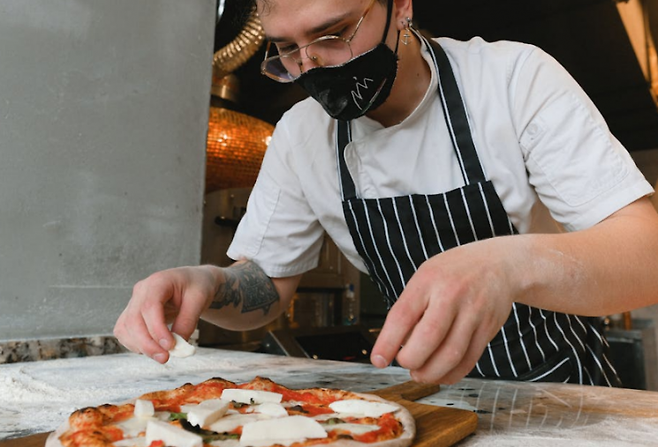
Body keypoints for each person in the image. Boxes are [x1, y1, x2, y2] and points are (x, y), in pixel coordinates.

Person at [114, 0, 658, 386]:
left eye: (333, 34)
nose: (312, 64)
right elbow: (266, 288)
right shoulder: (303, 134)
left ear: (400, 6)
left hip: (559, 394)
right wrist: (206, 285)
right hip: (426, 401)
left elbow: (646, 256)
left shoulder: (513, 79)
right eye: (289, 49)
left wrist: (505, 266)